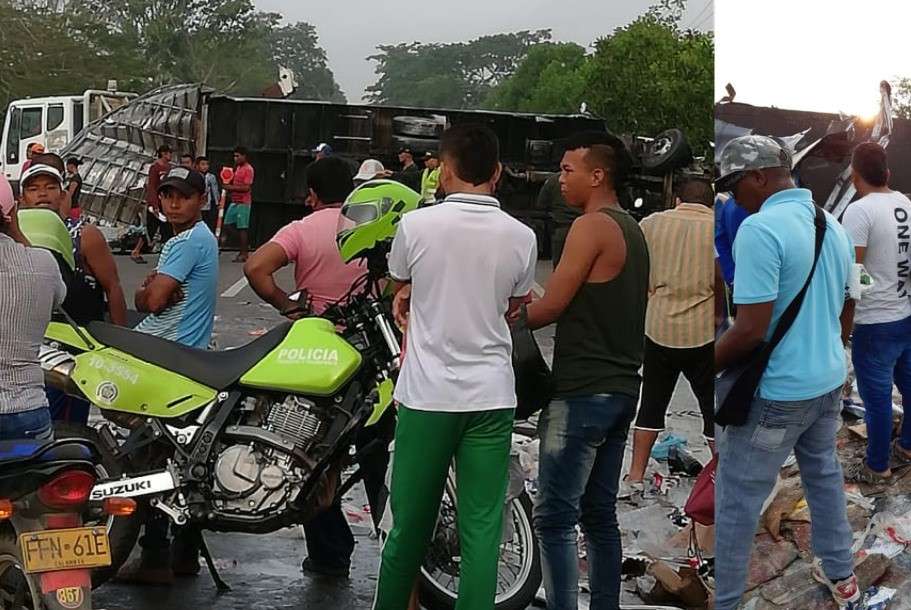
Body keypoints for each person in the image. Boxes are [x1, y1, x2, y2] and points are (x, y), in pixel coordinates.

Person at [374, 124, 536, 610]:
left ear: (443, 172)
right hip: (491, 396)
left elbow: (398, 282)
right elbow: (516, 302)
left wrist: (404, 293)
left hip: (427, 397)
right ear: (498, 172)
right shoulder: (521, 236)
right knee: (483, 528)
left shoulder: (416, 227)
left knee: (409, 526)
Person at [713, 135, 859, 610]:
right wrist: (825, 349)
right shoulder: (831, 224)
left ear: (758, 177)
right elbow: (848, 305)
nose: (735, 198)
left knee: (736, 502)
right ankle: (843, 575)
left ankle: (728, 601)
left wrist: (703, 365)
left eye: (736, 186)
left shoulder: (761, 230)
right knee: (823, 477)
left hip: (778, 393)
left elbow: (750, 330)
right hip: (827, 382)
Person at [245, 157, 389, 577]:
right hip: (373, 352)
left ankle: (330, 553)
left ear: (311, 194)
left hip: (319, 356)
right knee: (377, 452)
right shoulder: (370, 225)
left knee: (316, 456)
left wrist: (288, 306)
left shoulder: (302, 229)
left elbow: (256, 267)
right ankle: (399, 549)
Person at [526, 131, 648, 610]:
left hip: (582, 391)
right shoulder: (632, 228)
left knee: (554, 518)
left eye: (567, 169)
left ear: (597, 175)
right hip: (621, 390)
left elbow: (550, 307)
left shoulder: (590, 227)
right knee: (598, 516)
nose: (560, 179)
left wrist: (488, 317)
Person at [117, 166, 218, 583]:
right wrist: (152, 288)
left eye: (183, 196)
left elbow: (152, 301)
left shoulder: (185, 243)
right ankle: (184, 554)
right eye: (168, 195)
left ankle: (155, 556)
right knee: (185, 456)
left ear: (201, 200)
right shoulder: (201, 240)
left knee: (146, 459)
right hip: (187, 357)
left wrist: (147, 290)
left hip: (164, 357)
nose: (174, 203)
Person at [839, 142, 911, 484]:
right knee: (910, 382)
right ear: (887, 173)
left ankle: (877, 465)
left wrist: (844, 323)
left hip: (876, 321)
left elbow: (853, 273)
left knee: (876, 399)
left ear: (854, 176)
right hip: (908, 312)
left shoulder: (859, 211)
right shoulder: (909, 202)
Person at [623, 177, 715, 493]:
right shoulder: (718, 228)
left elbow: (639, 276)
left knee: (651, 403)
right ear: (710, 203)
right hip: (704, 333)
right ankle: (721, 473)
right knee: (712, 406)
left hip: (659, 327)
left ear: (677, 200)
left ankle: (635, 476)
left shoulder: (651, 224)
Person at [19, 155, 128, 422]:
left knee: (67, 435)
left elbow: (113, 288)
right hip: (25, 357)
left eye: (50, 187)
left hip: (72, 357)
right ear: (22, 199)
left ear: (63, 194)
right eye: (33, 189)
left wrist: (122, 351)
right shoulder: (14, 236)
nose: (42, 194)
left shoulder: (84, 235)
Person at [0, 179, 65, 441]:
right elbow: (58, 297)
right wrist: (13, 228)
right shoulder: (43, 263)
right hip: (28, 412)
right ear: (13, 212)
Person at [131, 145, 173, 264]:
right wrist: (154, 204)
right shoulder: (155, 168)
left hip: (166, 202)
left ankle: (167, 256)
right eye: (169, 153)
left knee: (168, 228)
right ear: (163, 154)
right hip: (155, 204)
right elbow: (152, 187)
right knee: (151, 229)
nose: (170, 156)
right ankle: (136, 251)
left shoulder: (169, 167)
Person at [222, 146, 255, 262]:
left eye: (238, 156)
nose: (235, 158)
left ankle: (244, 253)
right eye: (234, 156)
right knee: (226, 224)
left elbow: (246, 188)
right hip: (234, 201)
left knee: (242, 228)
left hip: (243, 202)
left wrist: (229, 187)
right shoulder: (237, 168)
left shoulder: (248, 169)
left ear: (244, 156)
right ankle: (243, 244)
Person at [541, 173, 578, 265]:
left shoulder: (553, 180)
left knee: (559, 265)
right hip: (583, 227)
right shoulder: (585, 179)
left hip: (561, 227)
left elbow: (542, 202)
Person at [196, 156, 220, 231]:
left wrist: (217, 203)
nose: (205, 167)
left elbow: (215, 190)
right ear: (197, 166)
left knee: (208, 223)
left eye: (207, 164)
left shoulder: (211, 177)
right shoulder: (195, 176)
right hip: (197, 204)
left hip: (208, 204)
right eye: (202, 164)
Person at [64, 157, 84, 222]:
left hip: (72, 208)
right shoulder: (74, 178)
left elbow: (70, 194)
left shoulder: (75, 179)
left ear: (71, 166)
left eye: (67, 167)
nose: (66, 169)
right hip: (73, 207)